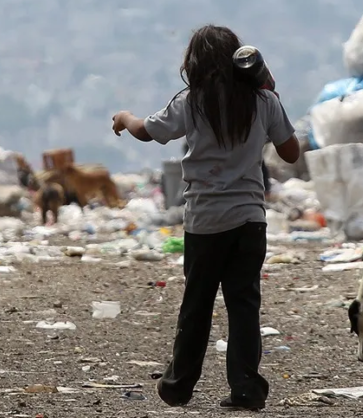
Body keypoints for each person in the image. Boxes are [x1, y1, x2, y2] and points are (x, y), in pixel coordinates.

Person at [111, 25, 300, 411]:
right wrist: (271, 93)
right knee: (244, 305)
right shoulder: (263, 102)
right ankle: (247, 390)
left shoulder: (192, 101)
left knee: (197, 305)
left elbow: (149, 132)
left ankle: (179, 386)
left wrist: (124, 117)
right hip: (250, 220)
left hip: (205, 221)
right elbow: (292, 153)